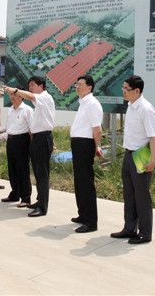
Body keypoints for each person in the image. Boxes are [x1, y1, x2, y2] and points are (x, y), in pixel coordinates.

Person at [110, 75, 155, 244]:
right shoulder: (131, 106)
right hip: (128, 154)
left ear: (137, 90)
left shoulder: (146, 109)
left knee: (142, 196)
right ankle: (129, 228)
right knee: (129, 194)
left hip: (141, 155)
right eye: (123, 88)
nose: (123, 91)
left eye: (126, 89)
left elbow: (153, 137)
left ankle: (145, 232)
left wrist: (153, 160)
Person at [3, 76, 55, 218]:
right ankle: (39, 201)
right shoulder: (39, 103)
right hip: (37, 138)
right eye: (29, 86)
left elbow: (30, 96)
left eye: (32, 85)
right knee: (37, 172)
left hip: (43, 137)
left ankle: (42, 207)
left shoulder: (45, 97)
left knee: (42, 174)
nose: (30, 88)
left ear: (41, 86)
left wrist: (15, 90)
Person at [70, 75, 104, 233]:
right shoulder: (83, 103)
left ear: (89, 88)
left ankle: (91, 222)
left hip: (85, 144)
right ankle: (83, 214)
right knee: (79, 181)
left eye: (81, 85)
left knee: (86, 183)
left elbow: (97, 129)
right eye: (76, 84)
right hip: (78, 143)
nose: (77, 87)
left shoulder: (92, 103)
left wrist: (96, 146)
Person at [1, 85, 33, 207]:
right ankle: (15, 193)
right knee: (12, 168)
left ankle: (26, 197)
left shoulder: (27, 110)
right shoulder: (10, 109)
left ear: (21, 96)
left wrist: (31, 146)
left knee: (22, 169)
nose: (12, 96)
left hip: (22, 141)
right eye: (11, 94)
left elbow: (32, 129)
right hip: (11, 140)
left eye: (15, 94)